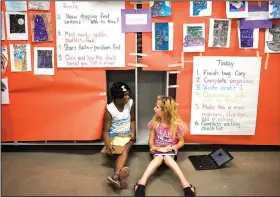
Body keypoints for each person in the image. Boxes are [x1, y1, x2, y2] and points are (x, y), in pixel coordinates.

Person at [134, 95, 196, 197]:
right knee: (158, 159)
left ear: (165, 111)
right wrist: (153, 146)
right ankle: (141, 183)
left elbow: (181, 142)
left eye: (157, 107)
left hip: (169, 151)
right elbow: (150, 140)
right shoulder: (154, 123)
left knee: (167, 159)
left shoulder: (176, 125)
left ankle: (186, 185)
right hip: (158, 150)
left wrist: (174, 147)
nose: (154, 108)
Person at [103, 82, 135, 189]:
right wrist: (107, 144)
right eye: (125, 95)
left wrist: (132, 131)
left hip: (127, 134)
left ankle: (116, 176)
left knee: (124, 150)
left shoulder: (130, 103)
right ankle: (119, 174)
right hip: (114, 135)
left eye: (128, 94)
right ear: (117, 97)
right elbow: (106, 131)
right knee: (120, 151)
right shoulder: (110, 109)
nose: (128, 97)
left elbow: (133, 120)